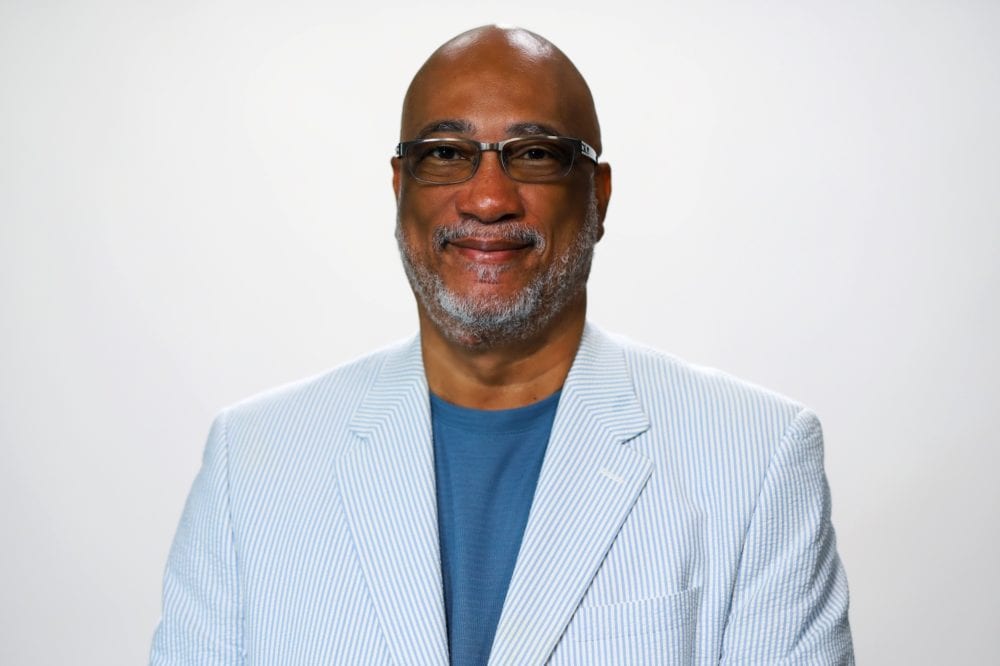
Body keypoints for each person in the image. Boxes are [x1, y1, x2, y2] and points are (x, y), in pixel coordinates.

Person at [151, 25, 853, 665]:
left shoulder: (755, 458)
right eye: (445, 154)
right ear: (399, 188)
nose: (488, 199)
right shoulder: (252, 461)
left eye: (535, 154)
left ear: (599, 196)